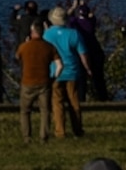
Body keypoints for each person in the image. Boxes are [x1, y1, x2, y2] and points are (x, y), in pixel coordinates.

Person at [47, 8, 89, 138]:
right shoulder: (74, 33)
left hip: (54, 71)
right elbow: (83, 53)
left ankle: (60, 131)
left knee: (57, 103)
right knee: (74, 102)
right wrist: (87, 68)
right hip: (72, 70)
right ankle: (77, 129)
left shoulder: (47, 34)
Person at [18, 18, 55, 141]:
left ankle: (26, 136)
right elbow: (59, 63)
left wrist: (26, 43)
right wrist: (54, 76)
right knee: (45, 111)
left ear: (32, 32)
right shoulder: (48, 47)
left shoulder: (24, 47)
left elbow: (17, 56)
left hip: (28, 81)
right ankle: (44, 136)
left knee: (25, 111)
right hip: (44, 81)